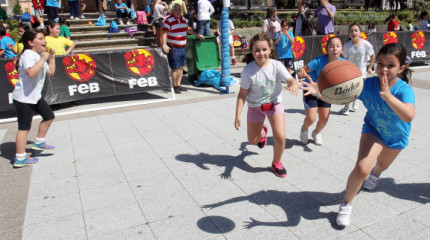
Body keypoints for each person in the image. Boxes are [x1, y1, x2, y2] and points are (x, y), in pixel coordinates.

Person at [301, 43, 415, 228]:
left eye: (391, 65)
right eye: (380, 63)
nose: (384, 69)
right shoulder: (367, 84)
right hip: (374, 129)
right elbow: (344, 95)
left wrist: (388, 97)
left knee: (381, 166)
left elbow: (409, 115)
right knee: (362, 168)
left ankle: (375, 175)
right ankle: (346, 203)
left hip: (397, 137)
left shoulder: (403, 90)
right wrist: (320, 93)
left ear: (401, 68)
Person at [235, 33, 298, 178]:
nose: (261, 53)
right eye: (257, 50)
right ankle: (262, 132)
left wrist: (293, 84)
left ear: (270, 49)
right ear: (252, 51)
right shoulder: (248, 71)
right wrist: (238, 114)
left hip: (274, 105)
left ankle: (276, 162)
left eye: (264, 49)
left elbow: (290, 79)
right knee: (252, 140)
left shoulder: (276, 65)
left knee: (281, 137)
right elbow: (242, 94)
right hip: (255, 107)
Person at [12, 29, 57, 168]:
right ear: (30, 42)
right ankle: (20, 157)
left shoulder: (37, 55)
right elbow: (31, 73)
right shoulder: (27, 55)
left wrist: (51, 58)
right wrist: (43, 58)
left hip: (35, 97)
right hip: (24, 98)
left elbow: (51, 72)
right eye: (40, 38)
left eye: (44, 38)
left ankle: (39, 141)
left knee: (49, 116)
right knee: (24, 128)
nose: (44, 41)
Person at [297, 36, 345, 146]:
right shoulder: (319, 61)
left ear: (342, 49)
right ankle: (304, 129)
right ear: (327, 49)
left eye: (338, 46)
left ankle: (316, 133)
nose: (335, 49)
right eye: (331, 46)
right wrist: (301, 72)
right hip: (311, 89)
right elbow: (303, 69)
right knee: (311, 117)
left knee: (324, 118)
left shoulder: (345, 64)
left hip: (325, 92)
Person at [162, 3, 204, 94]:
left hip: (183, 47)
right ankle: (174, 86)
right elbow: (164, 32)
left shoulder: (183, 20)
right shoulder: (168, 20)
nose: (178, 11)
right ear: (172, 11)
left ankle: (178, 84)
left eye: (180, 10)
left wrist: (197, 35)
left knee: (181, 67)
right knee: (175, 68)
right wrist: (164, 44)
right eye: (176, 10)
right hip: (174, 47)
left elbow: (188, 29)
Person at [340, 24, 375, 116]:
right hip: (349, 71)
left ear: (360, 32)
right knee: (347, 89)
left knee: (357, 88)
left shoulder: (366, 44)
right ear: (349, 34)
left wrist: (370, 67)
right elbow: (343, 56)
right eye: (351, 31)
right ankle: (346, 107)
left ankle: (355, 100)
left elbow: (372, 55)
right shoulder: (347, 46)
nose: (353, 33)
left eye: (356, 30)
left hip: (361, 71)